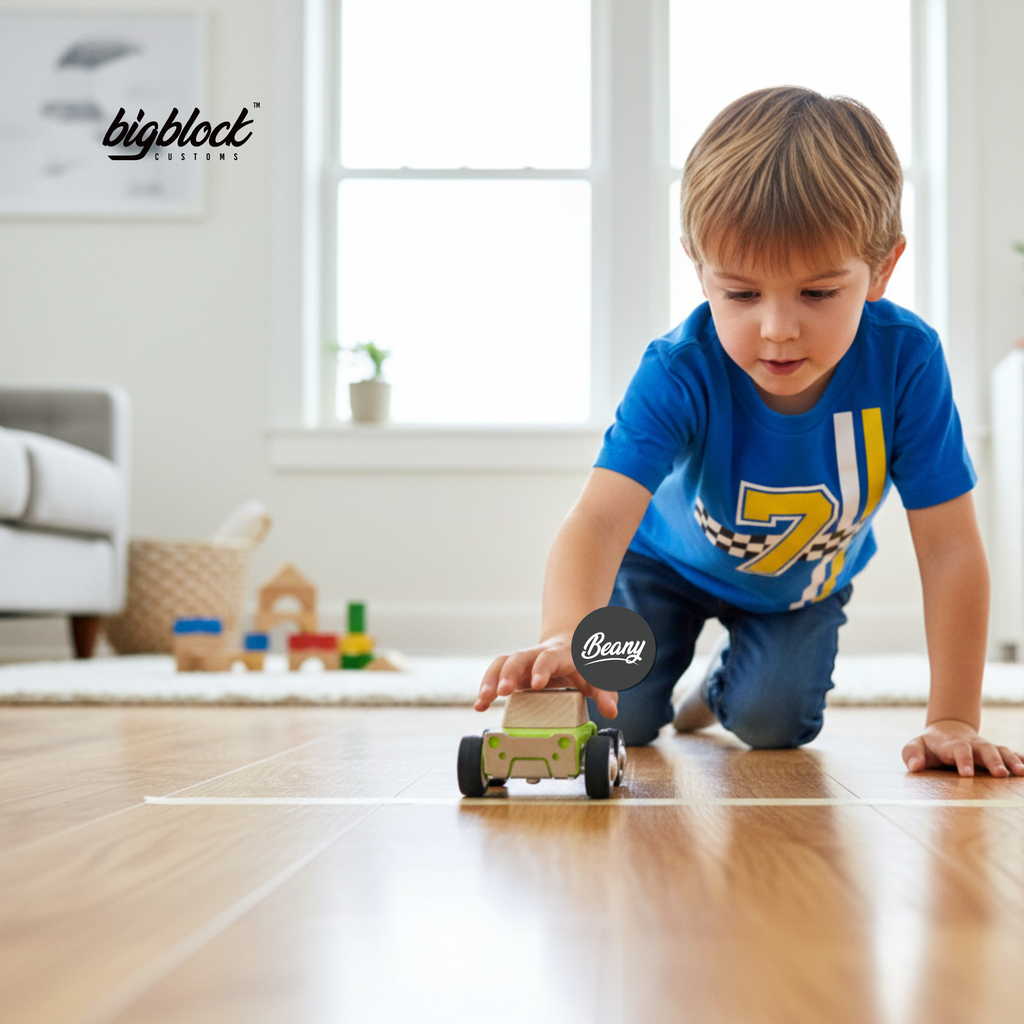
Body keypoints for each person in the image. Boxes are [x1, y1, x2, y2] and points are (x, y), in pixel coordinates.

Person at [475, 86, 1024, 778]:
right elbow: (599, 520)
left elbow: (948, 548)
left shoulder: (907, 364)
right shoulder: (680, 370)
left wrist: (953, 718)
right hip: (664, 569)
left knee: (773, 726)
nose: (777, 329)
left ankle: (718, 685)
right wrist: (562, 633)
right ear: (699, 270)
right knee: (626, 715)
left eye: (818, 294)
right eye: (740, 294)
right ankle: (661, 673)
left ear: (881, 268)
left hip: (795, 591)